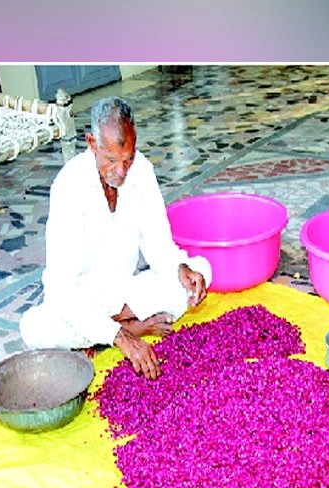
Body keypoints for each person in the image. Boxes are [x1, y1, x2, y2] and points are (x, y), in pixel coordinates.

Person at [18, 96, 211, 380]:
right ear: (92, 144)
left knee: (202, 270)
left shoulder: (142, 170)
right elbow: (60, 288)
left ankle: (99, 334)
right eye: (111, 159)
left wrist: (180, 268)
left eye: (127, 158)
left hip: (125, 292)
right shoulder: (69, 186)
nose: (121, 171)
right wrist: (123, 337)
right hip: (83, 297)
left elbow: (159, 245)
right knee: (34, 328)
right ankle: (128, 328)